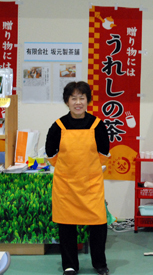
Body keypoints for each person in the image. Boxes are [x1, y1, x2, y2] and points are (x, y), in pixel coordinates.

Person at [46, 81, 111, 275]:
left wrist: (88, 170)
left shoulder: (97, 125)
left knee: (99, 224)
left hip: (91, 184)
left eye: (81, 98)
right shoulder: (58, 126)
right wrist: (68, 170)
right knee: (66, 226)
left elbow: (105, 152)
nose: (78, 102)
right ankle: (70, 265)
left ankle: (100, 264)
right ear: (67, 102)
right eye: (73, 98)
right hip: (66, 185)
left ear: (87, 100)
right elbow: (50, 153)